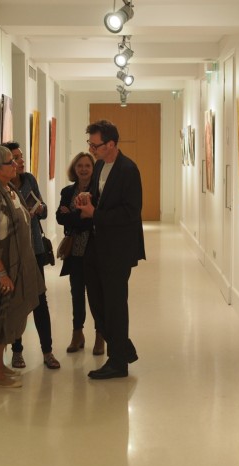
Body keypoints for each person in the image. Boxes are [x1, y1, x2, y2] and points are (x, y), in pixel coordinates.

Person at [76, 120, 145, 379]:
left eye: (96, 145)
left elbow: (131, 212)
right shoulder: (100, 166)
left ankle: (118, 362)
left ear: (111, 144)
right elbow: (100, 198)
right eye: (90, 144)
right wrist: (88, 199)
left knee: (115, 304)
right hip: (97, 245)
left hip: (118, 248)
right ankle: (123, 348)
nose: (91, 150)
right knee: (96, 301)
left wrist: (96, 213)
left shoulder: (128, 170)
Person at [0, 146, 46, 388]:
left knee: (8, 317)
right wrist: (2, 273)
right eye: (10, 161)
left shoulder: (10, 189)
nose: (16, 165)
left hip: (16, 266)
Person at [3, 141, 60, 370]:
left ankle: (47, 352)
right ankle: (17, 351)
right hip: (14, 251)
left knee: (39, 300)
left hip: (34, 248)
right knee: (17, 302)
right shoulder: (2, 187)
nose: (21, 161)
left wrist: (39, 209)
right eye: (15, 158)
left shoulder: (29, 180)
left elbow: (43, 209)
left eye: (21, 157)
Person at [56, 152, 105, 355]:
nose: (83, 169)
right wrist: (81, 217)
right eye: (79, 166)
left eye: (87, 166)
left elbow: (95, 219)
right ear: (74, 169)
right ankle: (77, 334)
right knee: (76, 293)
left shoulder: (99, 191)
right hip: (74, 251)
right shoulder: (68, 192)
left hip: (95, 251)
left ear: (93, 169)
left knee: (96, 295)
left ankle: (100, 335)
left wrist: (74, 216)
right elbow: (60, 218)